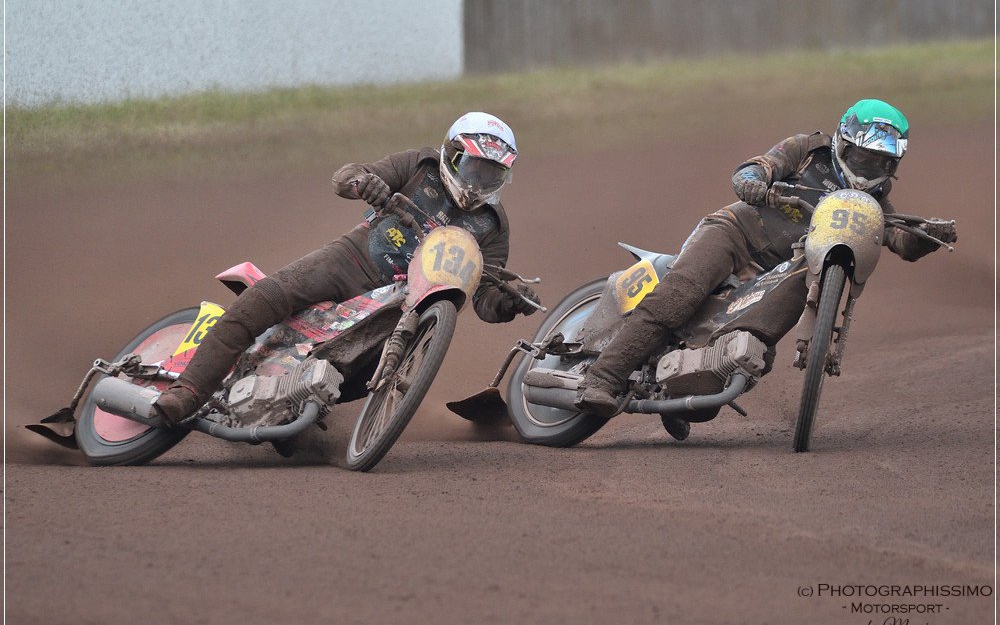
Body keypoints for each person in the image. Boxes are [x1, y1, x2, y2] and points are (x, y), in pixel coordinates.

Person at [574, 99, 958, 435]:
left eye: (881, 162)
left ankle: (682, 387)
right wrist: (753, 183)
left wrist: (928, 235)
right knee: (678, 298)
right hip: (737, 234)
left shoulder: (873, 201)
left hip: (781, 269)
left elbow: (898, 240)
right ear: (843, 142)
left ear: (893, 165)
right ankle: (602, 378)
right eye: (862, 156)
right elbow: (754, 168)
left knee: (754, 349)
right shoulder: (808, 150)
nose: (869, 167)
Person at [154, 112, 539, 425]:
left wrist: (510, 300)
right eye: (473, 168)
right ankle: (187, 392)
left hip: (408, 307)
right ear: (450, 154)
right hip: (351, 261)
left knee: (354, 377)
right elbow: (345, 176)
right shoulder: (417, 166)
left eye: (492, 173)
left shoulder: (493, 225)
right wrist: (365, 183)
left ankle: (293, 410)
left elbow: (485, 297)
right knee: (268, 296)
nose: (479, 182)